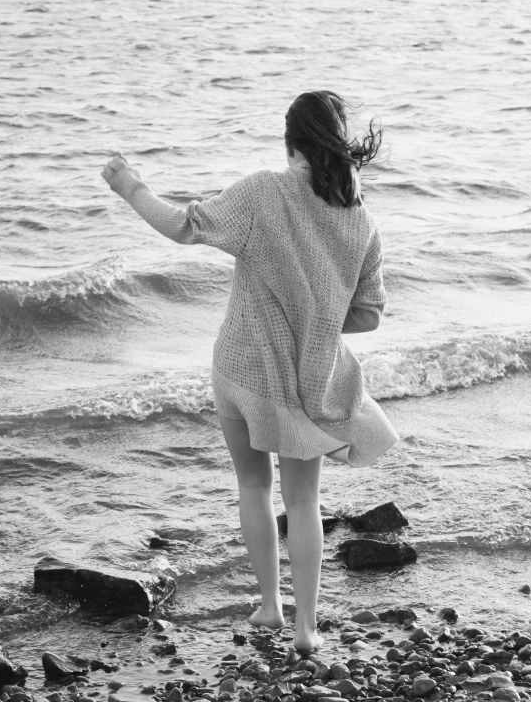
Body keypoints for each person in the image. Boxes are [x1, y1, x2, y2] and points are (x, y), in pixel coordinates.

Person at [101, 90, 399, 652]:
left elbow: (184, 227)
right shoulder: (362, 222)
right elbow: (368, 316)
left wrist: (129, 185)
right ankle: (308, 629)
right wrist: (315, 312)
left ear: (292, 142)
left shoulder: (266, 191)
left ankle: (270, 607)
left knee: (253, 485)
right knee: (304, 501)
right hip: (309, 381)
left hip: (241, 367)